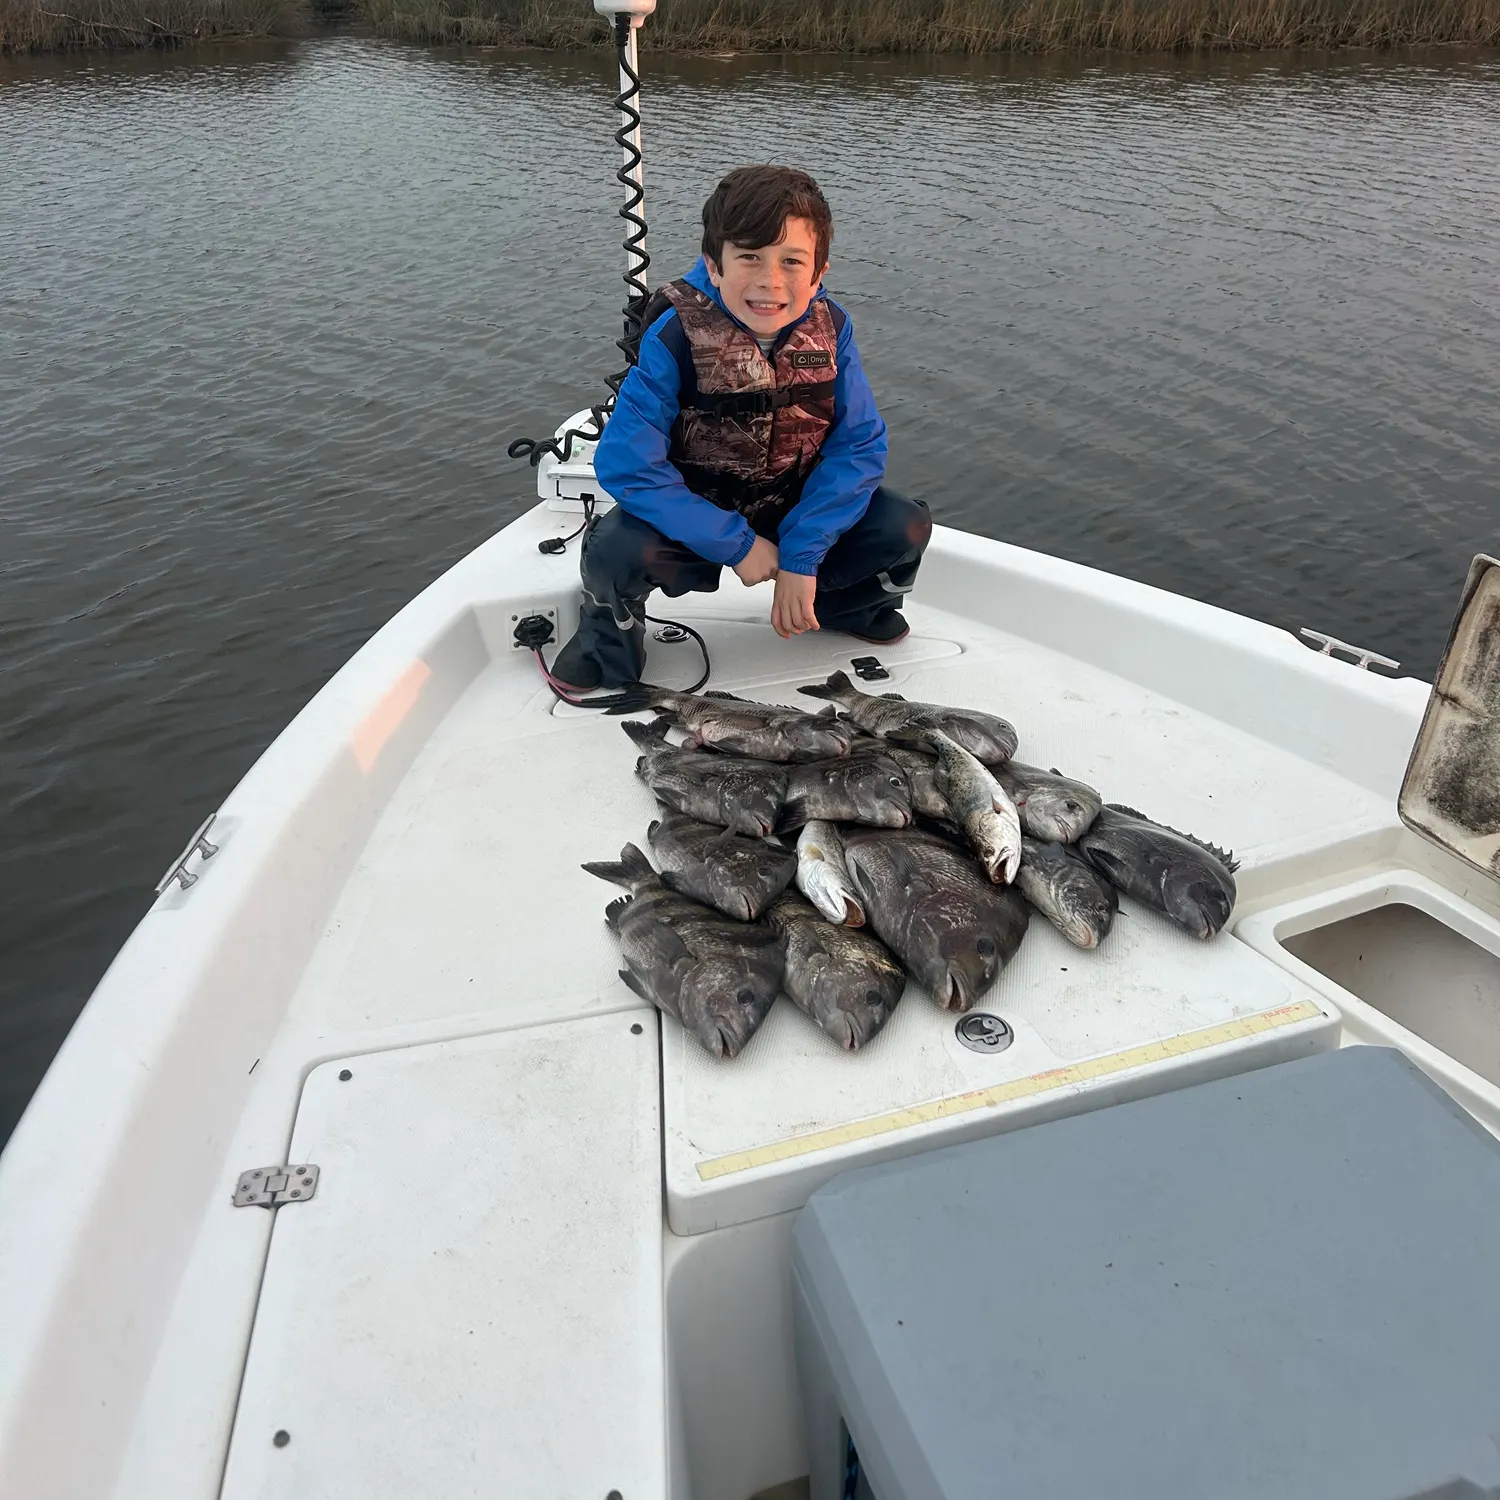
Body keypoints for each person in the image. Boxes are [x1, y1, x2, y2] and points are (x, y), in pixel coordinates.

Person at [549, 164, 932, 691]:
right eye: (748, 256)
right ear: (716, 262)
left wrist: (802, 555)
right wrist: (737, 545)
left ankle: (847, 605)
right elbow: (629, 465)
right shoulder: (674, 335)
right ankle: (606, 642)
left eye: (791, 261)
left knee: (904, 524)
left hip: (795, 504)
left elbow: (858, 445)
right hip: (695, 513)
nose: (769, 281)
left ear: (818, 272)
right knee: (613, 549)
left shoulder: (834, 328)